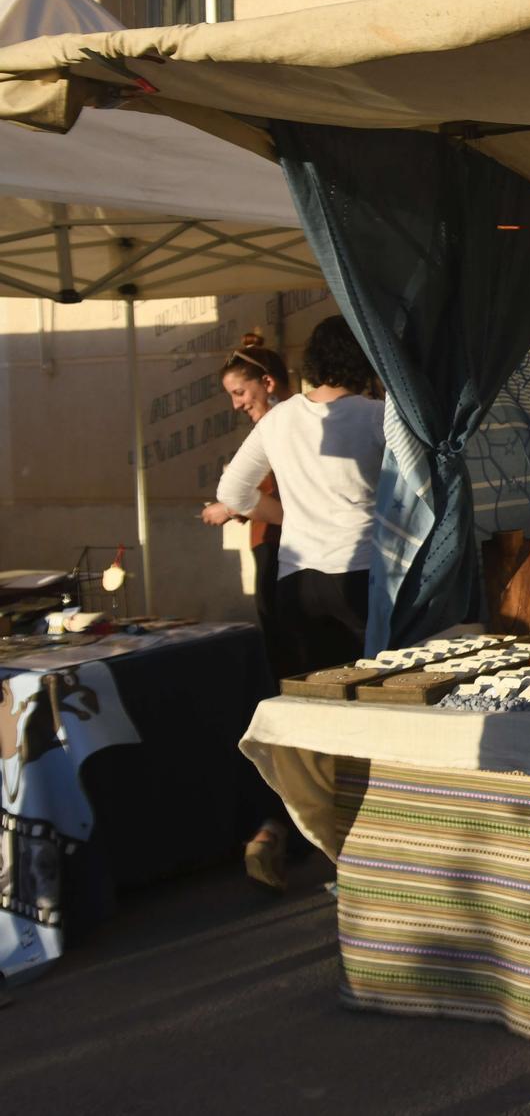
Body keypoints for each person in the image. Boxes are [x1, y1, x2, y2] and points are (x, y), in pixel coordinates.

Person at [216, 316, 385, 676]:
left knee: (310, 693)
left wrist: (288, 516)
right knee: (374, 692)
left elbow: (231, 490)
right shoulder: (377, 416)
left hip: (295, 580)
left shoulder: (278, 418)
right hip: (359, 572)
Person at [200, 334, 295, 889]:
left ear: (267, 383)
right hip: (276, 552)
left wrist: (232, 504)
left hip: (284, 557)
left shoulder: (281, 426)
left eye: (240, 392)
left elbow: (290, 509)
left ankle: (280, 822)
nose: (237, 403)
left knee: (287, 679)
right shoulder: (281, 425)